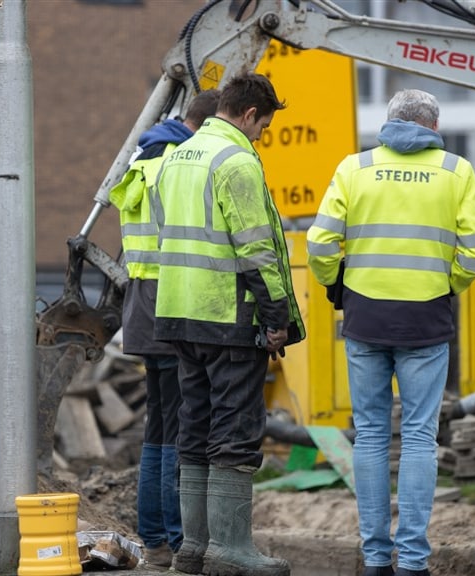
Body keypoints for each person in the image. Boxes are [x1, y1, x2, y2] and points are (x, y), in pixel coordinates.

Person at [306, 88, 475, 576]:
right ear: (434, 127)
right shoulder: (456, 171)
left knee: (369, 435)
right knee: (418, 437)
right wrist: (446, 285)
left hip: (365, 317)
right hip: (425, 321)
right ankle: (412, 561)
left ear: (389, 123)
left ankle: (375, 560)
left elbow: (319, 243)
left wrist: (337, 285)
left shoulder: (355, 168)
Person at [151, 72, 305, 576]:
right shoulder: (235, 160)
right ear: (249, 114)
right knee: (235, 429)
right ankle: (230, 547)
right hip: (227, 315)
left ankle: (193, 548)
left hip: (179, 312)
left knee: (194, 427)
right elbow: (256, 249)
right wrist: (276, 317)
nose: (261, 136)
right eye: (263, 126)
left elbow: (165, 231)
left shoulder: (176, 156)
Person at [109, 88, 221, 569]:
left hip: (141, 302)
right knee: (179, 427)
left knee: (159, 425)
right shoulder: (178, 164)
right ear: (207, 125)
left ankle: (155, 539)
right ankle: (176, 540)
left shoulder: (143, 160)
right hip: (172, 302)